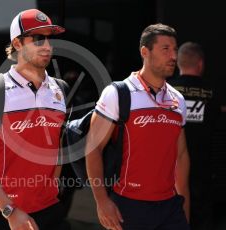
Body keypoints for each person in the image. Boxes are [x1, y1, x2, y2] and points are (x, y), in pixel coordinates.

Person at [0, 9, 70, 230]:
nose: (47, 45)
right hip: (1, 214)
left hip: (50, 212)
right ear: (17, 44)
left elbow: (59, 148)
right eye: (37, 38)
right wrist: (9, 210)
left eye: (49, 38)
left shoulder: (60, 89)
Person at [86, 23, 190, 230]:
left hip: (170, 207)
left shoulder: (178, 99)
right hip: (128, 206)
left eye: (175, 49)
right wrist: (102, 201)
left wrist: (184, 206)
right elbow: (92, 147)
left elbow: (181, 155)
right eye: (165, 49)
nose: (173, 56)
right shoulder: (117, 93)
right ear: (145, 52)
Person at [169, 42, 221, 230]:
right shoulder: (213, 94)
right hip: (204, 172)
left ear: (178, 63)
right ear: (200, 64)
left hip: (169, 172)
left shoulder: (165, 92)